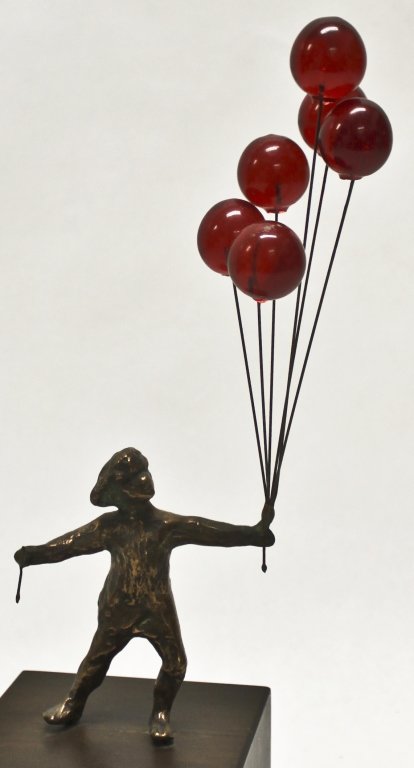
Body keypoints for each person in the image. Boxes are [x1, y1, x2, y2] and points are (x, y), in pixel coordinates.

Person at [14, 447, 274, 744]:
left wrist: (254, 534)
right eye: (134, 476)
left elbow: (210, 531)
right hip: (118, 608)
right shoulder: (108, 527)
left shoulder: (166, 526)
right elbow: (69, 545)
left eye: (145, 470)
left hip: (157, 609)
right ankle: (73, 704)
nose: (145, 478)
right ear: (119, 491)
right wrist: (34, 555)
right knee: (96, 661)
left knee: (175, 663)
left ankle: (161, 713)